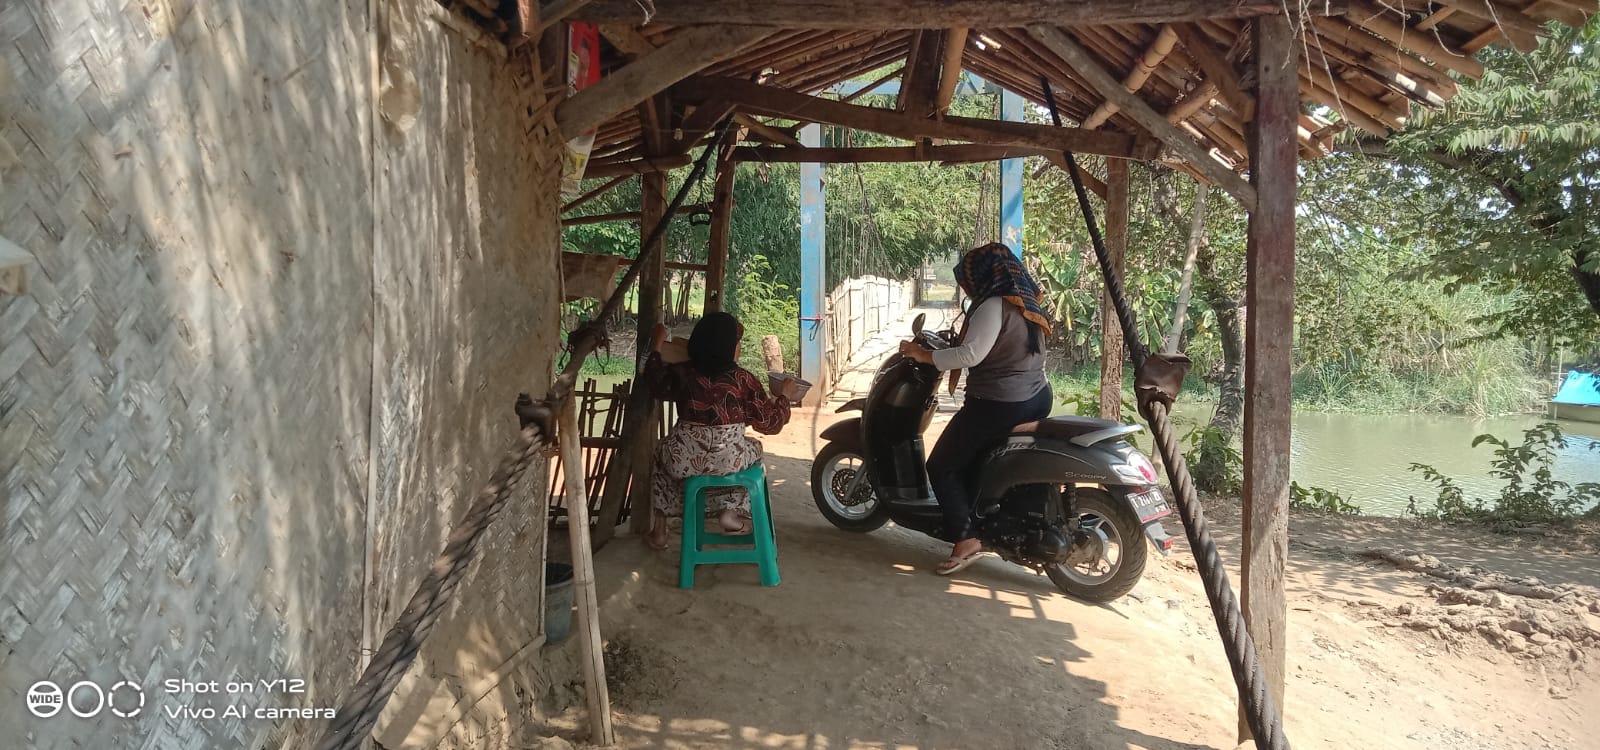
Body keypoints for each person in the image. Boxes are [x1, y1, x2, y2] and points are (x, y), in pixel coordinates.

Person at [898, 242, 1054, 575]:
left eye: (968, 281)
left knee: (941, 465)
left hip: (1001, 403)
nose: (967, 288)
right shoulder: (1028, 301)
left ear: (983, 276)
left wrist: (924, 355)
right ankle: (979, 513)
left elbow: (971, 355)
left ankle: (967, 540)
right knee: (978, 456)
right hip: (1036, 395)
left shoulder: (992, 305)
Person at [642, 312, 800, 550]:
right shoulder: (744, 381)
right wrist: (784, 397)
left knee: (661, 453)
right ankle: (731, 512)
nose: (738, 349)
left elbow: (653, 381)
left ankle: (660, 530)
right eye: (736, 343)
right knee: (755, 450)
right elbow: (771, 424)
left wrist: (657, 343)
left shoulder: (682, 373)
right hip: (728, 461)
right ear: (727, 347)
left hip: (682, 461)